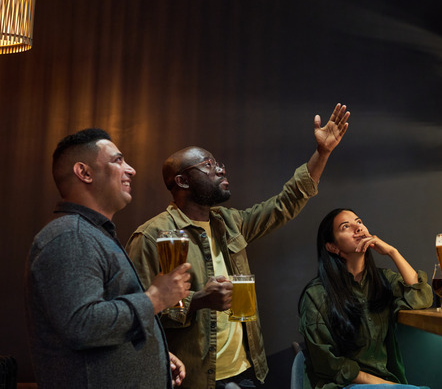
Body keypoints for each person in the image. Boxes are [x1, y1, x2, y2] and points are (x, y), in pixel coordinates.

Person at [126, 103, 351, 389]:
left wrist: (322, 154)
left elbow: (285, 203)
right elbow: (137, 318)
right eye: (208, 165)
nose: (220, 169)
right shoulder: (152, 236)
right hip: (192, 380)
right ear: (182, 181)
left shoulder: (229, 222)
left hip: (246, 373)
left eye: (218, 163)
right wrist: (198, 300)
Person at [25, 128, 192, 388]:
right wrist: (156, 299)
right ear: (85, 172)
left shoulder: (91, 234)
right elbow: (83, 325)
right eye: (118, 160)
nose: (131, 170)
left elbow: (100, 330)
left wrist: (154, 355)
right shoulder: (70, 236)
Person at [298, 208, 433, 389]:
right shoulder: (316, 295)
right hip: (341, 386)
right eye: (346, 226)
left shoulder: (383, 279)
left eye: (359, 222)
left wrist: (393, 252)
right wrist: (386, 384)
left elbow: (421, 297)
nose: (358, 228)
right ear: (332, 247)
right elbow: (329, 364)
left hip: (383, 384)